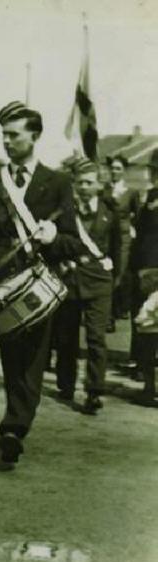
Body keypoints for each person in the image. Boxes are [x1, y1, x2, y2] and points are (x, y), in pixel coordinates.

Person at [0, 101, 85, 464]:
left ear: (34, 136)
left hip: (39, 284)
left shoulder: (57, 183)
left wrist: (54, 236)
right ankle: (16, 418)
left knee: (34, 358)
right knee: (12, 357)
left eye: (14, 134)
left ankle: (14, 427)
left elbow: (74, 242)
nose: (7, 142)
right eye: (4, 135)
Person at [54, 159, 121, 414]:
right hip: (70, 280)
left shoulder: (110, 211)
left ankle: (94, 391)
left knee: (96, 337)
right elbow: (55, 242)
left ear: (99, 185)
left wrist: (114, 280)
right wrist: (61, 263)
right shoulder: (64, 211)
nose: (83, 187)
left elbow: (117, 248)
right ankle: (66, 383)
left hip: (99, 282)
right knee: (66, 338)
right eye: (79, 182)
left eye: (89, 183)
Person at [129, 149, 158, 406]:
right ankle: (150, 387)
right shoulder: (149, 196)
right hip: (146, 271)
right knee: (148, 330)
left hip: (153, 271)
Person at [104, 155, 140, 331]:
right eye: (112, 168)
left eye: (118, 168)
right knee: (107, 273)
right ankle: (109, 317)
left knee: (120, 273)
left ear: (124, 171)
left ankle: (118, 310)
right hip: (106, 238)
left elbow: (137, 215)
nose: (114, 171)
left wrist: (132, 230)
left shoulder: (131, 192)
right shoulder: (104, 190)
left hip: (124, 239)